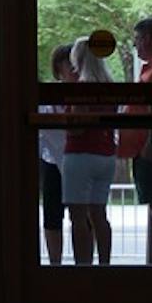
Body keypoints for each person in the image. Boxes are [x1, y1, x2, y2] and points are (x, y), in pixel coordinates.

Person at [62, 36, 116, 266]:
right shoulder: (110, 85)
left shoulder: (81, 87)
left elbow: (77, 128)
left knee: (78, 217)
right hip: (106, 154)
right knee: (99, 214)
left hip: (80, 154)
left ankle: (82, 268)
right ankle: (104, 265)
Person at [125, 17, 152, 266]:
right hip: (147, 150)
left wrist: (149, 144)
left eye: (137, 39)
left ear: (148, 39)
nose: (135, 45)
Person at [40, 44, 71, 266]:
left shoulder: (88, 92)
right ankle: (55, 264)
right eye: (68, 62)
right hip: (52, 161)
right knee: (52, 216)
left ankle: (85, 264)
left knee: (86, 215)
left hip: (78, 158)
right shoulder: (49, 93)